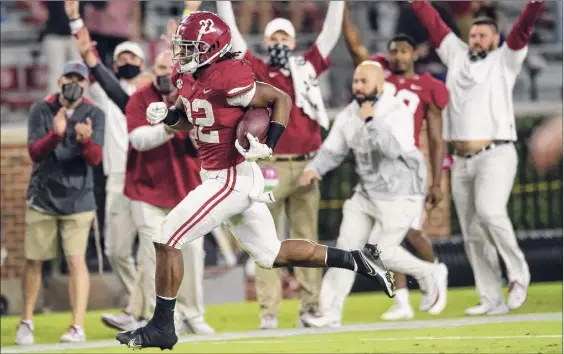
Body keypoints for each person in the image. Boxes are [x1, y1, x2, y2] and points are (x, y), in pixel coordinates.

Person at [115, 12, 395, 350]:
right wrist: (170, 117)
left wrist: (268, 144)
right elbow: (193, 121)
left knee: (166, 237)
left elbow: (281, 99)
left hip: (230, 177)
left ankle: (161, 327)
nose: (183, 54)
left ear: (213, 49)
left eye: (191, 48)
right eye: (183, 47)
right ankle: (358, 259)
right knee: (270, 254)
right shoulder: (186, 76)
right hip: (223, 176)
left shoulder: (228, 74)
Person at [69, 8, 215, 334]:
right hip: (135, 180)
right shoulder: (134, 99)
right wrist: (170, 128)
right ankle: (149, 310)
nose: (124, 65)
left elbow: (201, 73)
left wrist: (186, 24)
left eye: (168, 67)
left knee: (183, 250)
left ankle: (173, 311)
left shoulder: (188, 91)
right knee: (131, 251)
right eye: (119, 60)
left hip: (182, 181)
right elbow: (110, 91)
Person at [409, 0, 544, 315]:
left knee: (490, 212)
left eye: (484, 36)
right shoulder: (456, 54)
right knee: (471, 232)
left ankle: (519, 273)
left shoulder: (505, 60)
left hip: (496, 151)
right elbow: (433, 22)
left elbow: (523, 29)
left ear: (496, 40)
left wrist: (536, 5)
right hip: (461, 160)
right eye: (474, 35)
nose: (477, 40)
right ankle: (491, 298)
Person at [217, 0, 345, 329]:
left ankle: (310, 307)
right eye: (273, 39)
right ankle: (268, 312)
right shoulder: (259, 70)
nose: (278, 45)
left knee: (307, 238)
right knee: (264, 240)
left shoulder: (306, 68)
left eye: (283, 39)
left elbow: (330, 34)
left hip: (305, 165)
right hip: (269, 165)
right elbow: (232, 37)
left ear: (293, 42)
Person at [299, 61, 448, 329]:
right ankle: (330, 312)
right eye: (355, 81)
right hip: (367, 195)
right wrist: (313, 169)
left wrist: (371, 119)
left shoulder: (396, 110)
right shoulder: (348, 115)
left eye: (363, 81)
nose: (357, 86)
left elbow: (392, 149)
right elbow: (333, 150)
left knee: (380, 253)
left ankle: (432, 272)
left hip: (401, 193)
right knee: (344, 250)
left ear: (379, 84)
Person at [342, 6, 450, 320]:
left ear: (414, 54)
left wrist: (436, 180)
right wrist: (343, 10)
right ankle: (402, 299)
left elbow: (436, 136)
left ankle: (435, 273)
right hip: (379, 167)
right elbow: (355, 47)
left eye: (403, 51)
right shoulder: (380, 78)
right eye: (393, 51)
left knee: (410, 233)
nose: (398, 57)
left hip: (410, 164)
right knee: (386, 236)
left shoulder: (428, 85)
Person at [15, 61, 104, 345]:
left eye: (79, 78)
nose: (73, 83)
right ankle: (26, 320)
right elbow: (35, 153)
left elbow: (96, 159)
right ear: (59, 79)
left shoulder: (94, 113)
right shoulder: (40, 109)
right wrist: (55, 135)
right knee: (34, 260)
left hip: (79, 198)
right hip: (43, 195)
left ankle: (77, 326)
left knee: (76, 261)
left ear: (86, 83)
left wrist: (85, 142)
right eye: (69, 77)